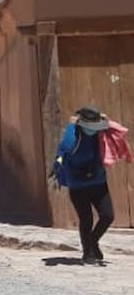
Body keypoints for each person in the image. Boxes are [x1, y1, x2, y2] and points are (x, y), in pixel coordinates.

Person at [53, 106, 116, 263]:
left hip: (98, 181)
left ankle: (93, 242)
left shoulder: (100, 132)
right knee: (86, 219)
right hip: (78, 184)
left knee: (108, 216)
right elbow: (61, 157)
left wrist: (102, 116)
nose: (93, 130)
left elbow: (113, 127)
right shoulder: (71, 138)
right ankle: (87, 252)